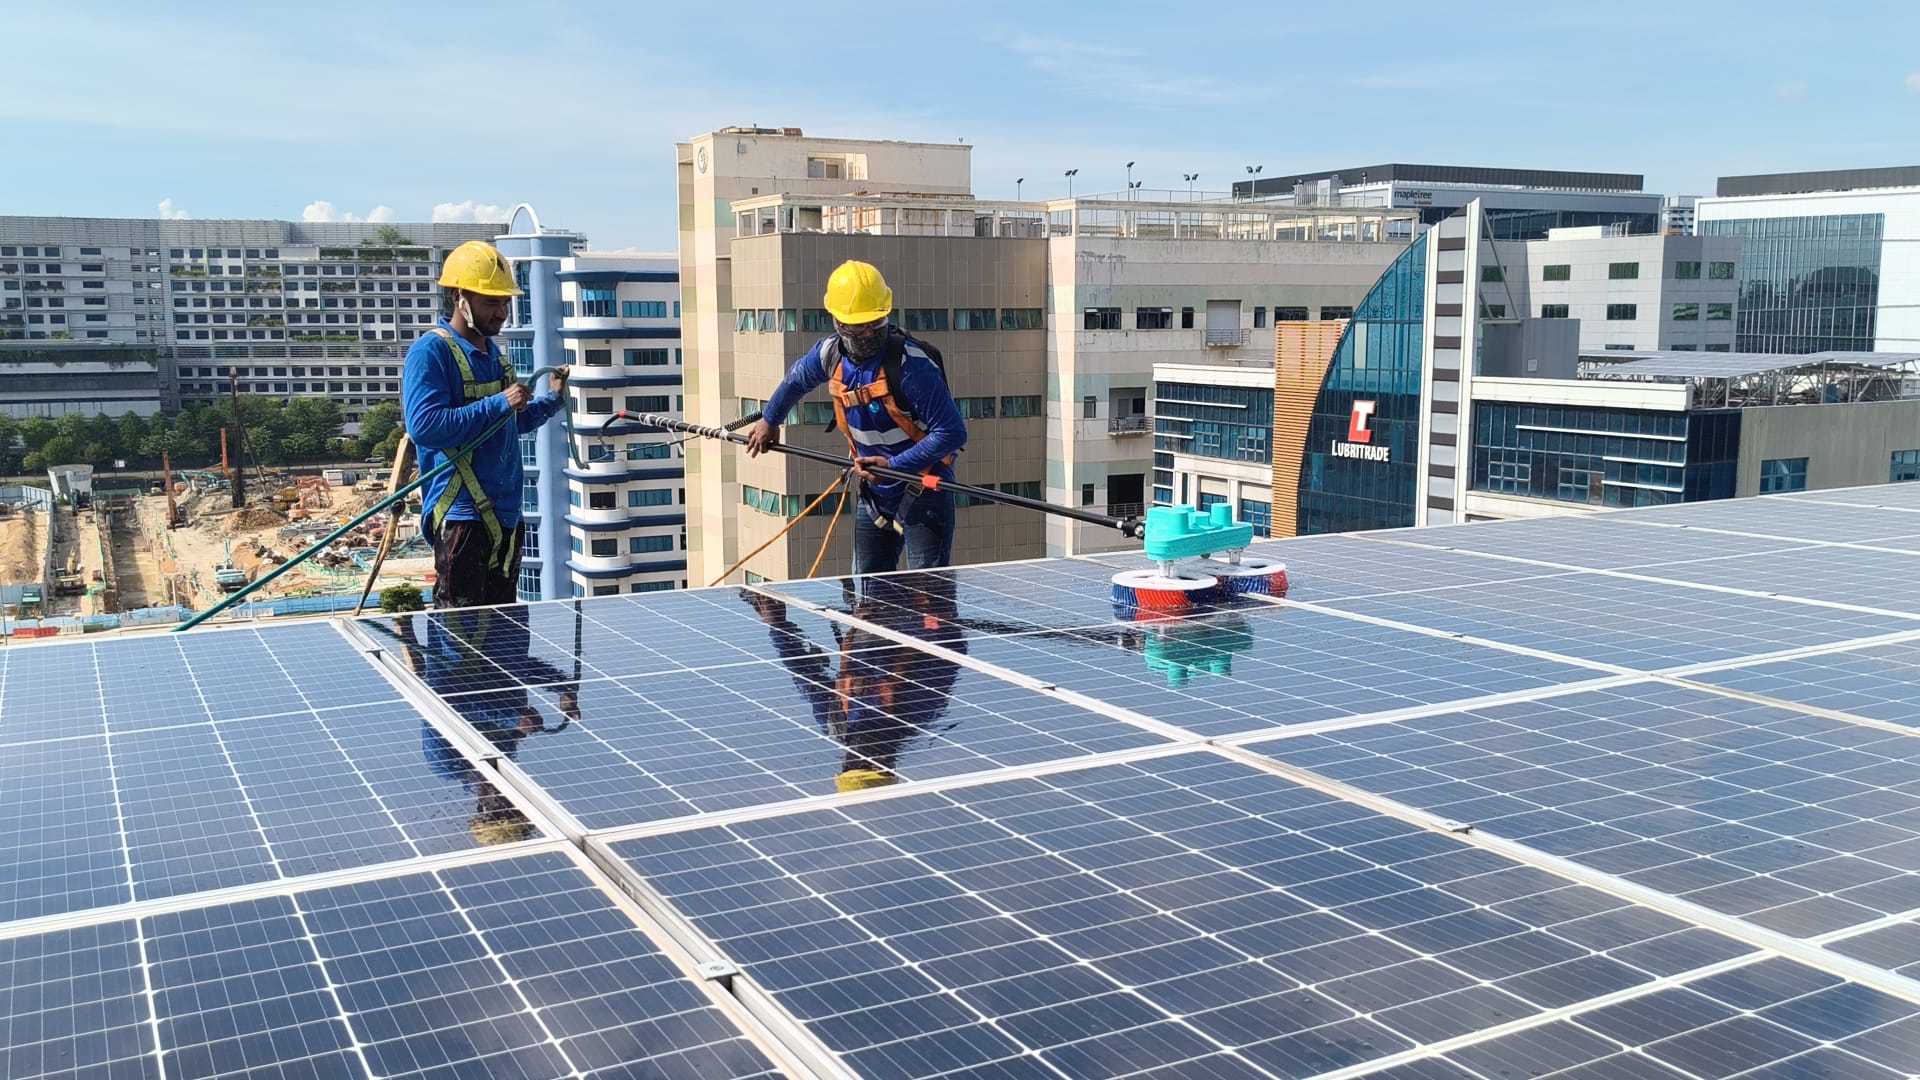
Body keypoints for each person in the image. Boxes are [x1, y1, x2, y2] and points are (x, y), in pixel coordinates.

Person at [746, 260, 966, 574]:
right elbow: (795, 381)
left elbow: (952, 433)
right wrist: (770, 419)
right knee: (869, 601)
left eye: (876, 323)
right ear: (837, 322)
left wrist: (894, 467)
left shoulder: (910, 367)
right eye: (857, 325)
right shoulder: (829, 355)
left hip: (925, 488)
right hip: (874, 495)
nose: (868, 332)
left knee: (929, 603)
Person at [402, 240, 568, 609]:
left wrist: (552, 401)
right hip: (462, 513)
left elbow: (507, 424)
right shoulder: (432, 352)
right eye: (491, 302)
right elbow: (425, 427)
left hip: (506, 516)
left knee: (503, 630)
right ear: (460, 298)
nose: (501, 312)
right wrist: (498, 402)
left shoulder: (493, 356)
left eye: (505, 302)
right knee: (463, 633)